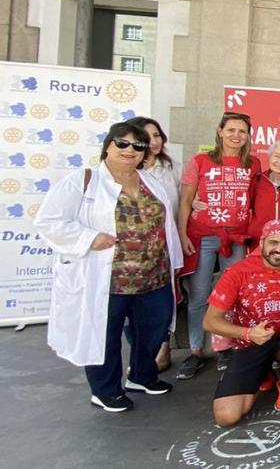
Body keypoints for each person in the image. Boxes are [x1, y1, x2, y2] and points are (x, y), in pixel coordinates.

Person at [35, 122, 184, 413]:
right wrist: (89, 238)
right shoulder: (82, 181)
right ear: (108, 146)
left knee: (154, 329)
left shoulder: (150, 182)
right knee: (104, 334)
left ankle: (142, 376)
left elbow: (165, 224)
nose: (131, 151)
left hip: (153, 275)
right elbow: (49, 222)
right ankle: (105, 391)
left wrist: (174, 265)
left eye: (138, 146)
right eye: (123, 144)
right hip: (107, 278)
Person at [203, 220, 280, 425]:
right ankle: (265, 374)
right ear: (262, 242)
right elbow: (210, 321)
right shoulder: (238, 272)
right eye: (273, 242)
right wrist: (248, 333)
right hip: (251, 341)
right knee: (226, 417)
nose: (279, 249)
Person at [177, 112, 260, 380]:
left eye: (242, 131)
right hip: (202, 236)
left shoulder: (253, 164)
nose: (237, 135)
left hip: (236, 238)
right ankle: (196, 350)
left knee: (232, 296)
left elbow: (256, 200)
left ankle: (225, 346)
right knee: (200, 295)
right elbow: (186, 201)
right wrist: (182, 234)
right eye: (232, 130)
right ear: (220, 131)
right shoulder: (200, 161)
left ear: (248, 136)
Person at [125, 116, 182, 372]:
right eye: (147, 137)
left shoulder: (172, 169)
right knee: (129, 308)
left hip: (165, 250)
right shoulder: (123, 170)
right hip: (129, 256)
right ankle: (139, 357)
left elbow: (185, 203)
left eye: (158, 135)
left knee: (163, 304)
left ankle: (162, 347)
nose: (154, 141)